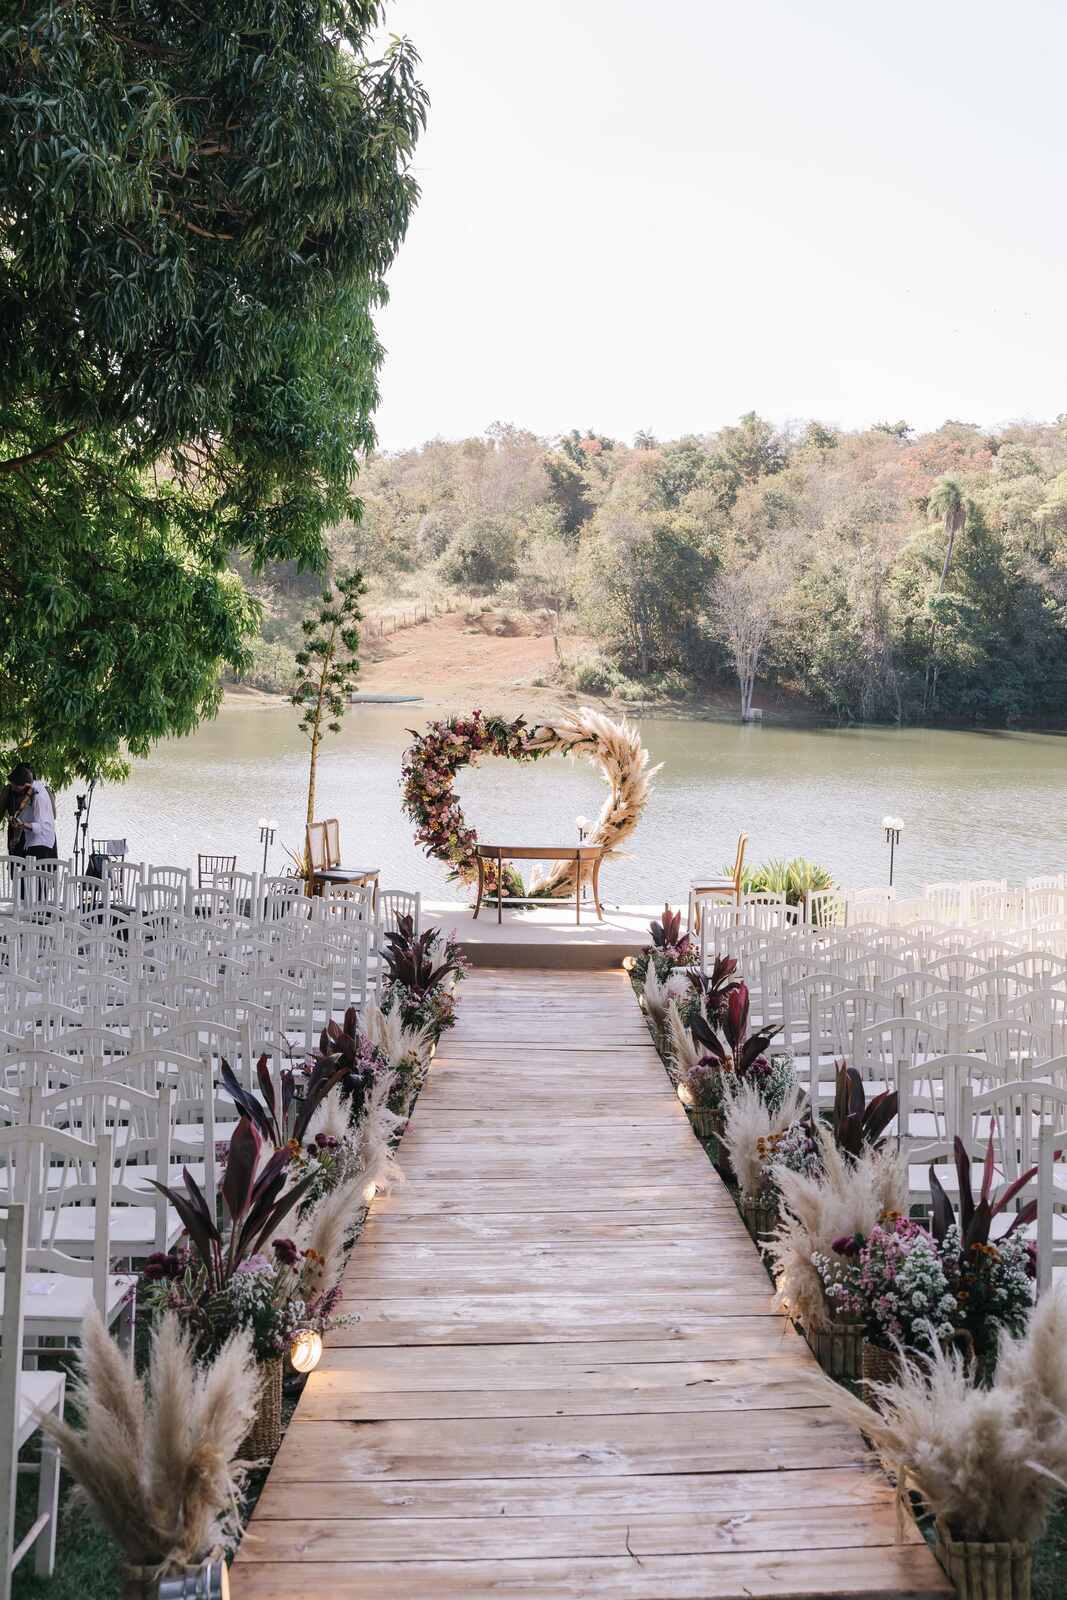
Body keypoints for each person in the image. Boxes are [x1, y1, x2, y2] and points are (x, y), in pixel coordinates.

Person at [4, 764, 57, 860]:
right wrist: (16, 838)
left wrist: (22, 825)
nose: (12, 789)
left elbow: (41, 826)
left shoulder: (38, 796)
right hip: (31, 843)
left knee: (37, 873)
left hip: (42, 845)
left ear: (25, 784)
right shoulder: (30, 792)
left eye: (15, 786)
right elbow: (24, 816)